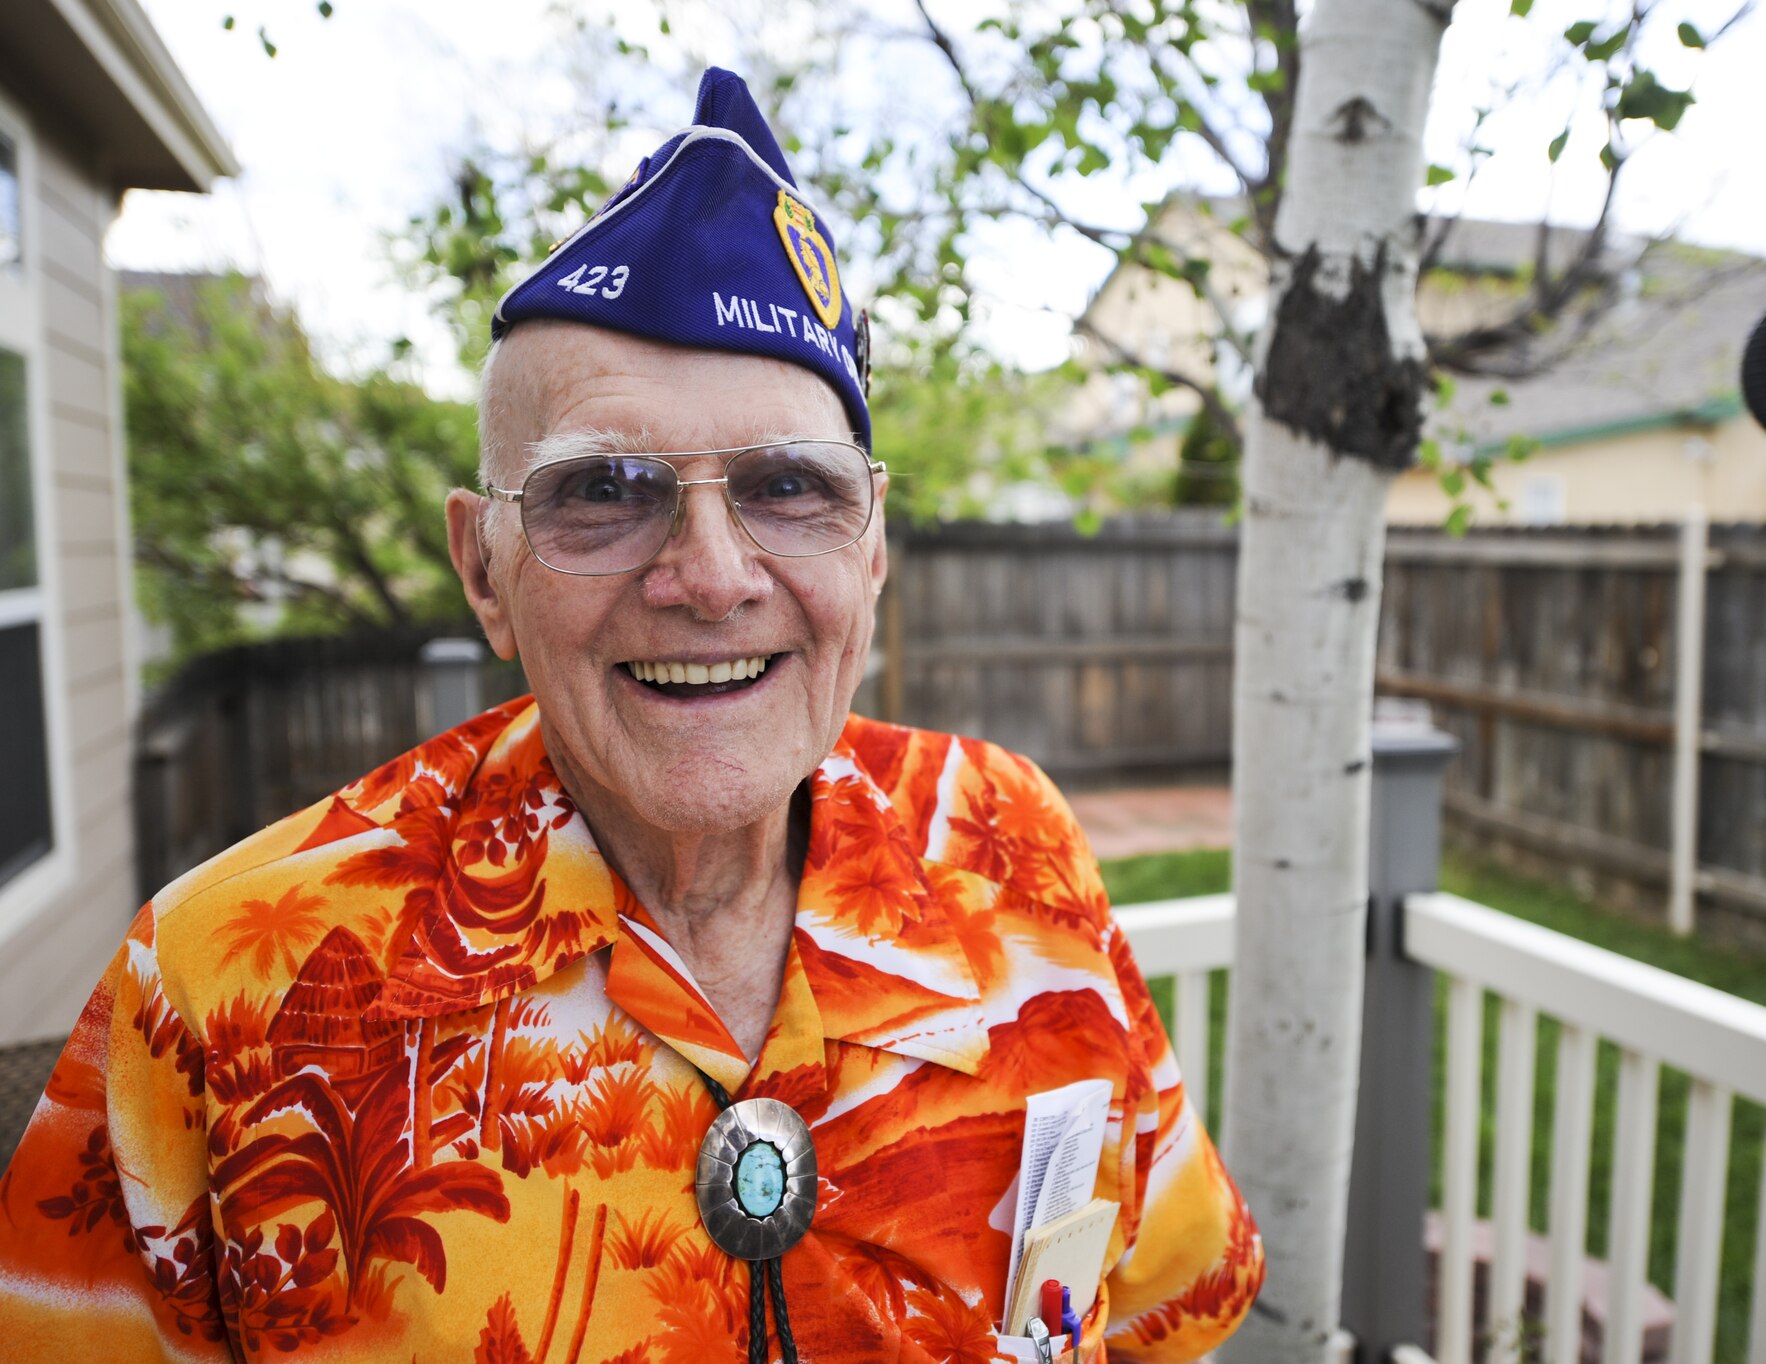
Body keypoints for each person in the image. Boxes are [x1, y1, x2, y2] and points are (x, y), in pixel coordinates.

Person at [0, 68, 1262, 1363]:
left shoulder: (1018, 853)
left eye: (789, 488)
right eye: (604, 490)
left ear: (873, 549)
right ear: (484, 567)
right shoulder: (223, 993)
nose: (713, 575)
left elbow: (1167, 1307)